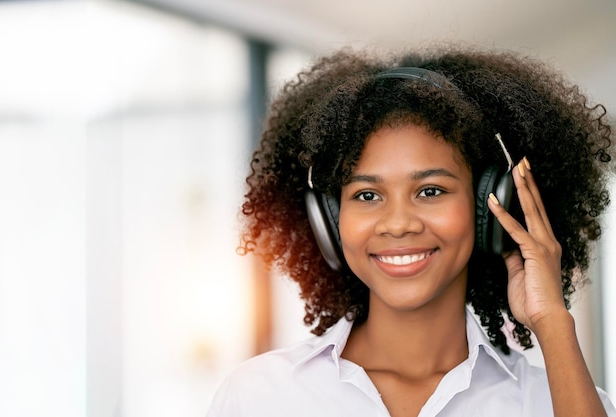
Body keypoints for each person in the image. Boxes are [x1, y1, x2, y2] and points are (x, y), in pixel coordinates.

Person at [207, 46, 616, 416]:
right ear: (329, 220)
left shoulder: (558, 401)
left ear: (489, 206)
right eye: (367, 195)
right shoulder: (260, 397)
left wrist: (553, 324)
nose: (399, 224)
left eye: (430, 190)